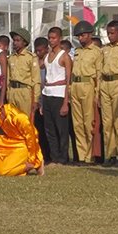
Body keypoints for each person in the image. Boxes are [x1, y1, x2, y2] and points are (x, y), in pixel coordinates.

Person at [0, 103, 45, 177]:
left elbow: (31, 138)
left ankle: (28, 166)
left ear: (1, 114)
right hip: (11, 141)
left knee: (2, 171)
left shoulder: (19, 117)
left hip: (23, 145)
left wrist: (32, 160)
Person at [70, 21, 102, 166]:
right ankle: (81, 155)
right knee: (77, 123)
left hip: (88, 85)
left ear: (90, 35)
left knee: (88, 122)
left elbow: (99, 74)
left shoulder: (96, 52)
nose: (80, 38)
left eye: (83, 35)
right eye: (78, 36)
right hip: (75, 85)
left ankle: (90, 156)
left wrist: (97, 93)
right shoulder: (77, 51)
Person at [41, 27, 72, 165]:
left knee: (62, 129)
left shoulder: (65, 56)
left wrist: (66, 102)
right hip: (47, 93)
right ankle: (54, 157)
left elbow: (68, 80)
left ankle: (63, 157)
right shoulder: (47, 56)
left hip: (59, 94)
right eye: (49, 38)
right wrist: (42, 101)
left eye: (54, 38)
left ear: (60, 39)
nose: (51, 40)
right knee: (50, 129)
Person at [99, 20, 118, 167]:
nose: (110, 36)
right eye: (108, 33)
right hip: (105, 83)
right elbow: (100, 69)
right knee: (107, 122)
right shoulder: (104, 49)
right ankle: (110, 154)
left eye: (112, 33)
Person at [7, 28, 41, 121]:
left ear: (25, 42)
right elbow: (8, 78)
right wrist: (8, 93)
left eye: (18, 40)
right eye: (14, 40)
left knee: (25, 121)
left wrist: (35, 100)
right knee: (13, 121)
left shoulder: (31, 57)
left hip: (25, 92)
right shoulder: (11, 58)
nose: (15, 43)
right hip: (13, 91)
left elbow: (36, 80)